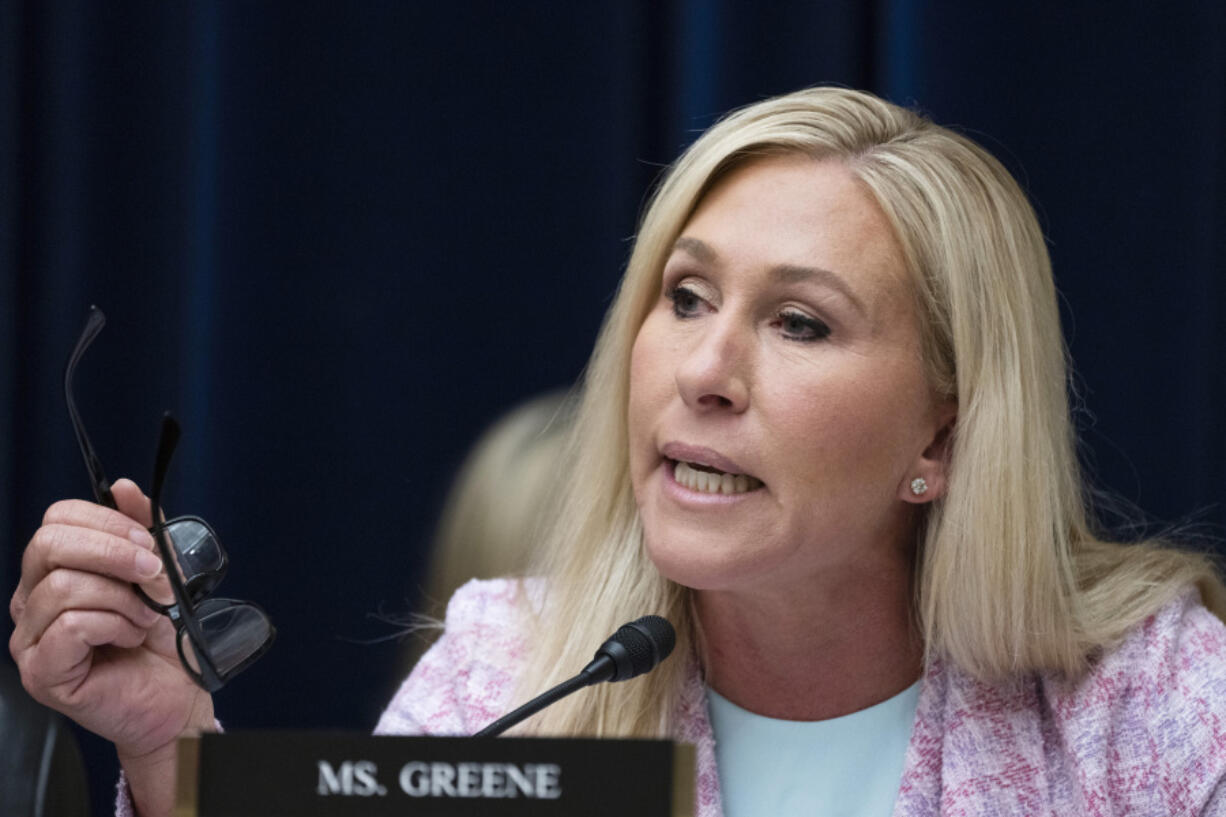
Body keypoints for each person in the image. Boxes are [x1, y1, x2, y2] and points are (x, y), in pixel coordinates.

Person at [11, 86, 1226, 817]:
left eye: (798, 322)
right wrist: (166, 741)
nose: (703, 370)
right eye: (684, 297)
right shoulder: (513, 664)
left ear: (944, 436)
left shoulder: (1149, 701)